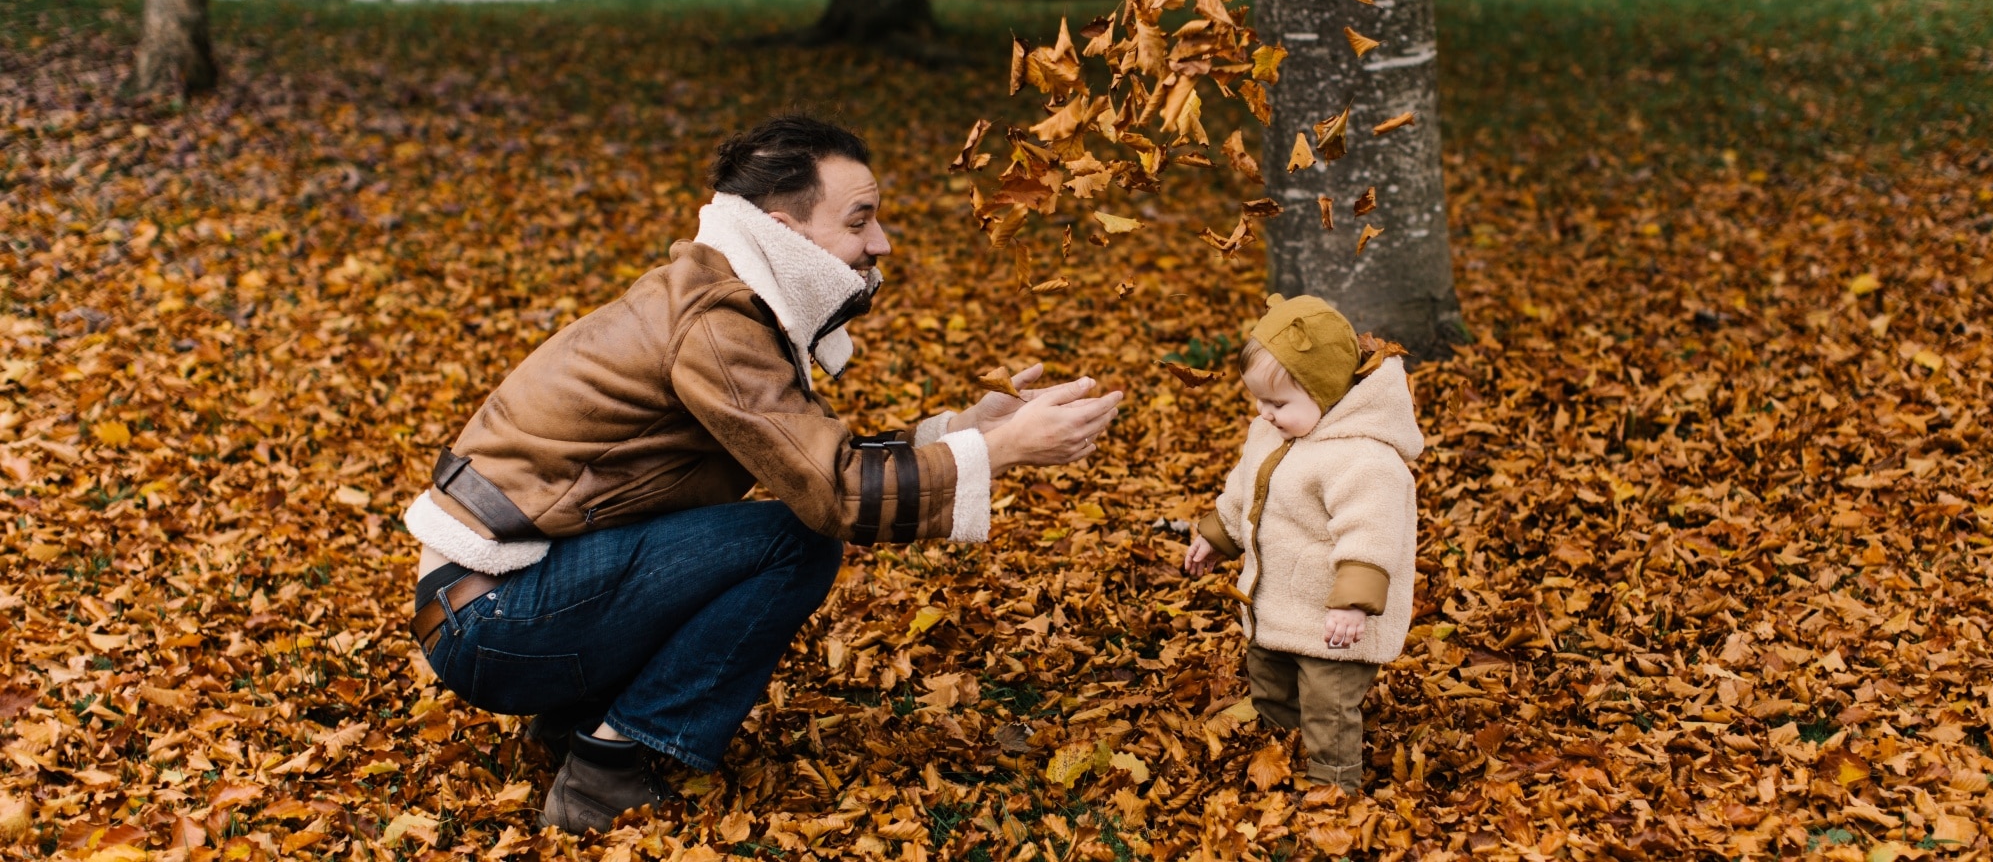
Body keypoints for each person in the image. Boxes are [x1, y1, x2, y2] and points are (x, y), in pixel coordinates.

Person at [401, 114, 1123, 834]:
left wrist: (967, 430)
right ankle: (604, 768)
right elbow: (831, 494)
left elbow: (805, 460)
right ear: (785, 230)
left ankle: (576, 721)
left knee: (775, 530)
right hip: (489, 624)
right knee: (798, 541)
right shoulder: (719, 320)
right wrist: (1004, 451)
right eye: (860, 220)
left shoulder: (721, 296)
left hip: (494, 603)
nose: (881, 243)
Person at [1182, 293, 1421, 791]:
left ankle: (1332, 784)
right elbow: (1244, 489)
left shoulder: (1363, 457)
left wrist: (1354, 604)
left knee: (1327, 703)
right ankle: (1279, 750)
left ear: (1327, 392)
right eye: (1257, 399)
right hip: (1278, 603)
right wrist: (1217, 535)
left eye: (1277, 403)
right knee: (1269, 678)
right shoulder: (1270, 434)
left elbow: (1372, 531)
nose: (1262, 413)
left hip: (1336, 619)